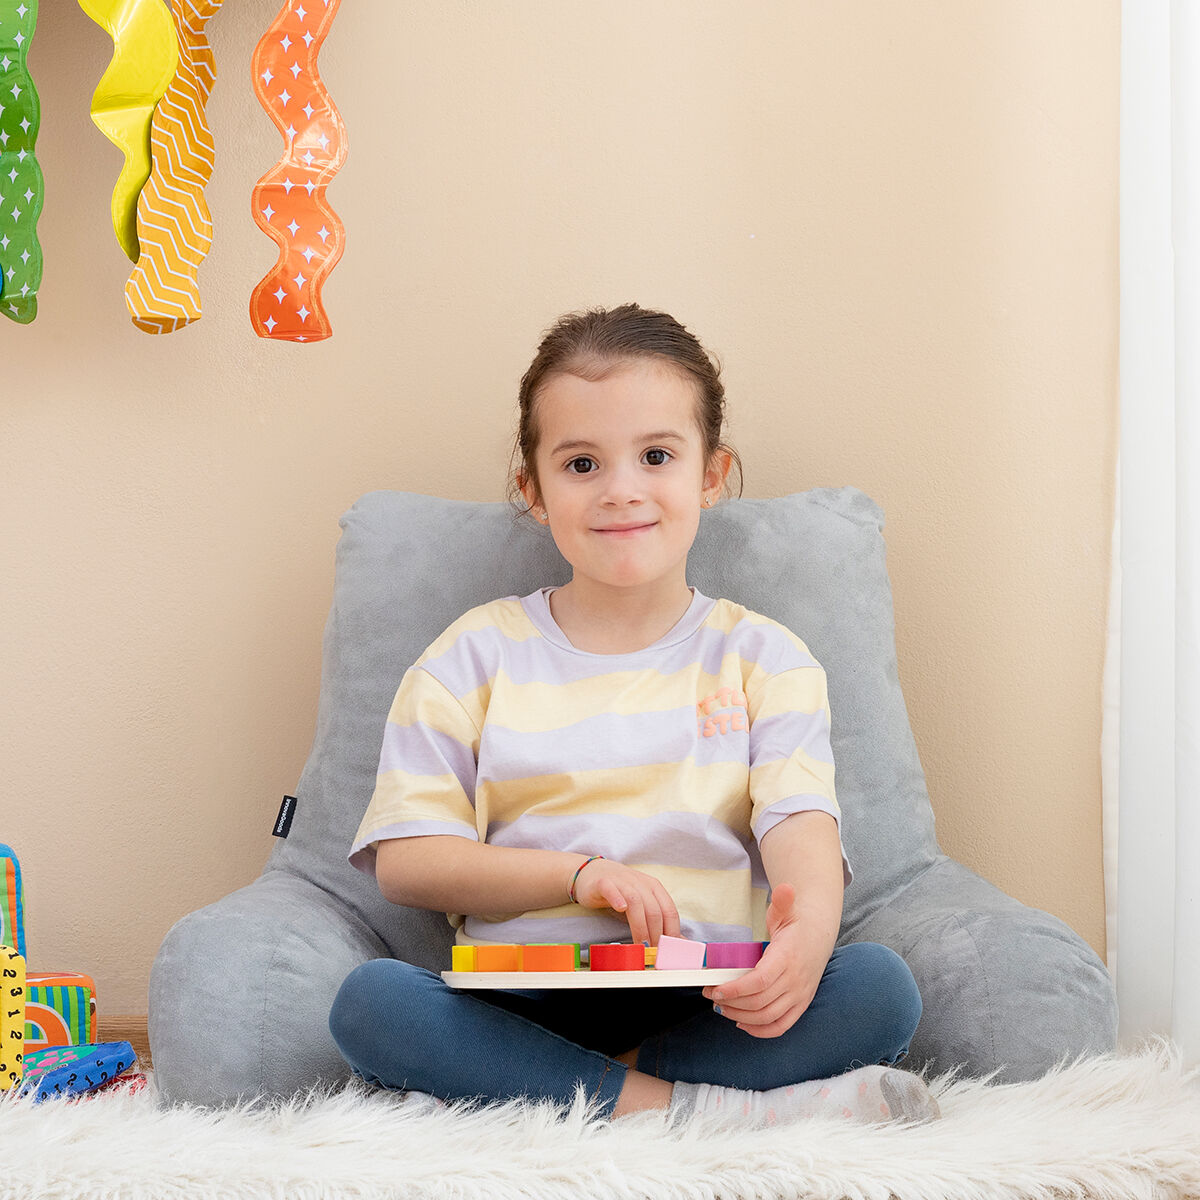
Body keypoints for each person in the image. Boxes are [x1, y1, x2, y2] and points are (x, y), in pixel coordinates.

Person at [328, 303, 938, 1126]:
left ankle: (575, 1093)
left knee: (880, 989)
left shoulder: (765, 657)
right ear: (533, 490)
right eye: (581, 464)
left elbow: (801, 826)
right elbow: (407, 862)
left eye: (656, 456)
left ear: (711, 475)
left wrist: (808, 938)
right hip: (517, 1002)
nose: (621, 491)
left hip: (707, 998)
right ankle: (698, 1112)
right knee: (371, 1005)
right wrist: (578, 875)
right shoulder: (472, 655)